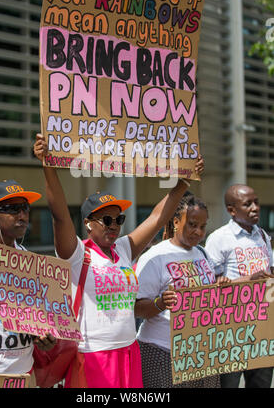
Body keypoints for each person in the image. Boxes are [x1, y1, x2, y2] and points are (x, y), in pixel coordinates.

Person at [33, 134, 204, 388]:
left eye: (119, 220)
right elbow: (59, 215)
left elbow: (157, 219)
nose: (115, 226)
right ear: (89, 223)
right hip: (93, 355)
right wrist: (48, 165)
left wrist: (182, 183)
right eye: (107, 220)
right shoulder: (78, 254)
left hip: (128, 351)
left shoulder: (123, 249)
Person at [135, 193, 230, 388]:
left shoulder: (202, 254)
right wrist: (160, 303)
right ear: (176, 222)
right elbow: (137, 308)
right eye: (192, 224)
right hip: (162, 352)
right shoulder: (155, 257)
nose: (198, 232)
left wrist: (222, 285)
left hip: (200, 351)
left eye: (203, 227)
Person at [0, 179, 56, 384]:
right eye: (13, 209)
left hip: (24, 373)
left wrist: (43, 335)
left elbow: (35, 314)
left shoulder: (27, 258)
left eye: (25, 209)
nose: (22, 216)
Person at [205, 184, 274, 389]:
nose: (255, 208)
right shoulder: (218, 239)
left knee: (261, 383)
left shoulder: (262, 235)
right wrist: (248, 280)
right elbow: (210, 285)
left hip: (262, 327)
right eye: (247, 204)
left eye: (256, 202)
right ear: (231, 210)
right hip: (231, 331)